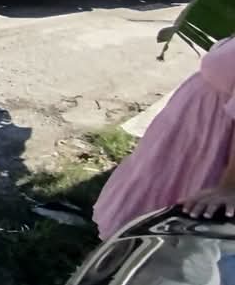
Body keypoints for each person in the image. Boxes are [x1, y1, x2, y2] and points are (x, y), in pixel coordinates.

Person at [94, 37, 235, 239]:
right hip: (193, 135)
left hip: (210, 142)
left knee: (172, 228)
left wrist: (230, 187)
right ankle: (133, 248)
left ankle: (145, 252)